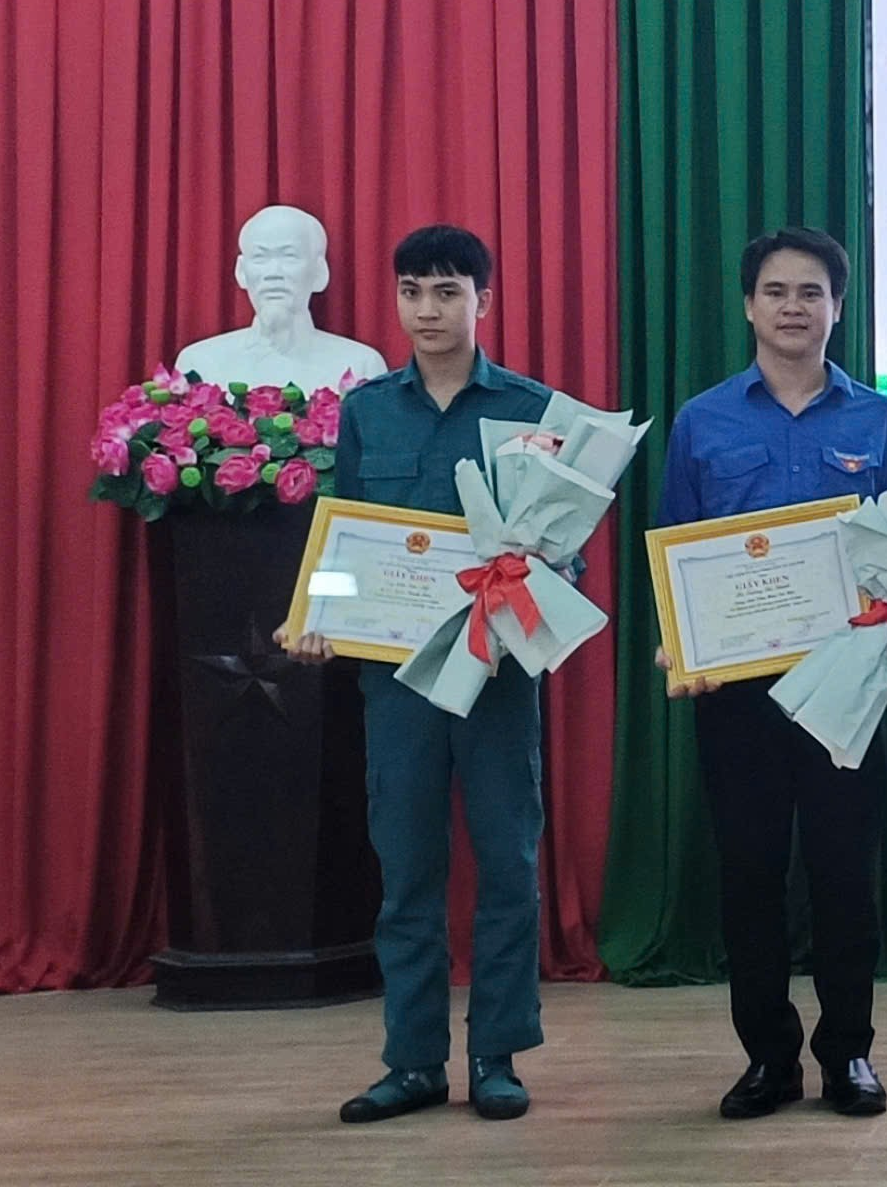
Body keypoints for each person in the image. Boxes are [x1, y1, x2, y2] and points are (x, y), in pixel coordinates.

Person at [280, 225, 558, 1124]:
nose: (427, 310)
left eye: (447, 291)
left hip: (497, 674)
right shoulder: (368, 411)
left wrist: (526, 582)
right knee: (407, 871)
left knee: (508, 864)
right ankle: (413, 1063)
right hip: (396, 679)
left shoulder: (532, 412)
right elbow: (342, 529)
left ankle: (497, 1056)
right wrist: (317, 615)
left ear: (484, 301)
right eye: (411, 291)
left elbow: (567, 550)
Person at [653, 228, 887, 1119]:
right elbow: (675, 546)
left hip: (848, 681)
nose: (793, 307)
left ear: (838, 307)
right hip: (736, 691)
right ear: (747, 306)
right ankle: (768, 1057)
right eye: (776, 291)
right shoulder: (702, 420)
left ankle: (848, 1054)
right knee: (750, 877)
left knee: (845, 876)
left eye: (811, 292)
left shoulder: (877, 421)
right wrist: (680, 643)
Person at [175, 204, 384, 391]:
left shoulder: (361, 365)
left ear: (320, 272)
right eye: (260, 257)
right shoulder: (200, 363)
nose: (274, 272)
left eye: (289, 256)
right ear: (241, 272)